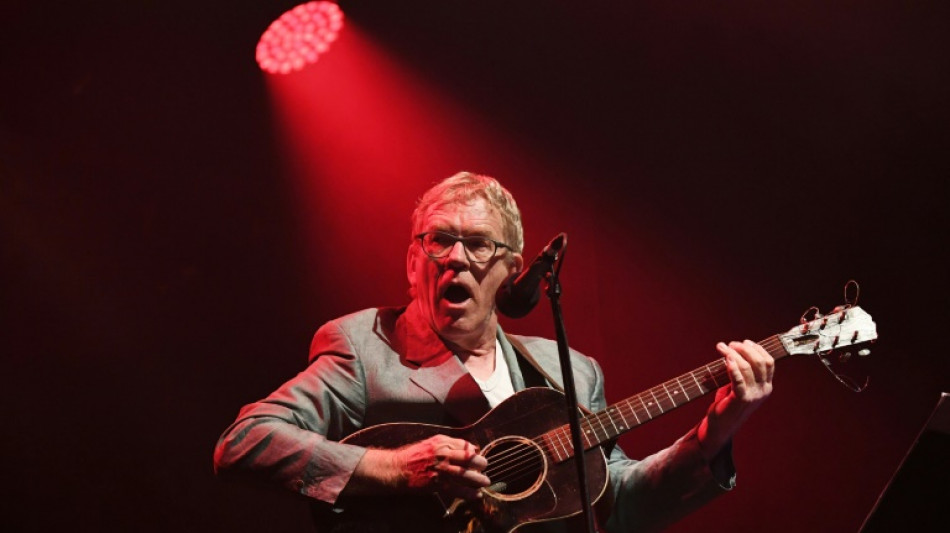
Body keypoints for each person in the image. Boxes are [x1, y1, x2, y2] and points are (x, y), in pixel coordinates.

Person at [214, 172, 774, 533]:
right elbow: (246, 441)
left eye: (478, 243)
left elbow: (617, 504)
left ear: (511, 271)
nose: (454, 258)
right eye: (438, 240)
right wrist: (396, 468)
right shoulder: (362, 346)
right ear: (413, 264)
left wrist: (715, 432)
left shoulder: (569, 370)